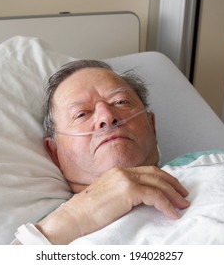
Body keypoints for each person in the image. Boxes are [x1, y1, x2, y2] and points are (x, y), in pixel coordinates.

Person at [14, 59, 190, 244]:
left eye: (120, 102)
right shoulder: (51, 238)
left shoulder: (213, 164)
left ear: (152, 126)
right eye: (81, 113)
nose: (107, 116)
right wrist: (78, 215)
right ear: (54, 152)